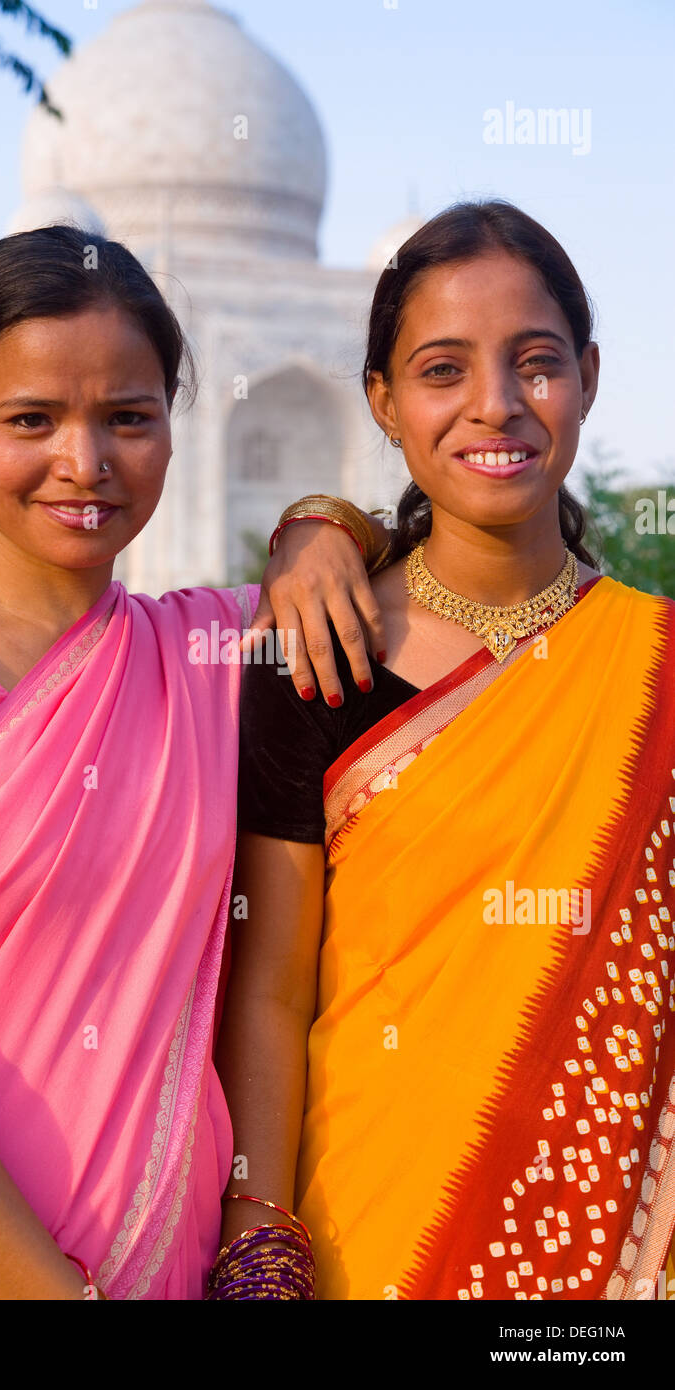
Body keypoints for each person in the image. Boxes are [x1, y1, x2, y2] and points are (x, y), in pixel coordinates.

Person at [0, 225, 388, 1301]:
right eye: (32, 419)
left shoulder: (221, 650)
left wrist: (320, 524)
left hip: (163, 1257)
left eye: (129, 417)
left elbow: (442, 576)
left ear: (177, 424)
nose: (86, 463)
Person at [216, 199, 675, 1301]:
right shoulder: (310, 655)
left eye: (535, 363)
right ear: (378, 399)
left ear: (589, 374)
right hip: (366, 1231)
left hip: (620, 1244)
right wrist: (257, 1233)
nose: (493, 405)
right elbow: (271, 990)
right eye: (439, 369)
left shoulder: (654, 664)